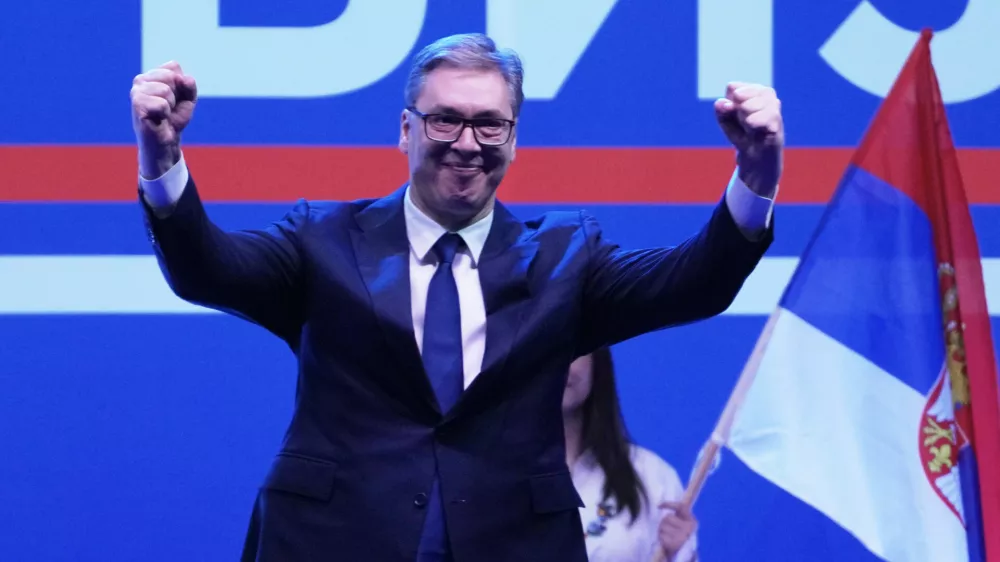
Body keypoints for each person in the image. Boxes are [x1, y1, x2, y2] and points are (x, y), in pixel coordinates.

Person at [129, 32, 781, 562]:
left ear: (514, 139)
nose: (467, 144)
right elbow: (207, 270)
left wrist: (754, 179)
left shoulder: (565, 256)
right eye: (445, 119)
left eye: (489, 125)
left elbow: (693, 283)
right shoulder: (322, 238)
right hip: (334, 542)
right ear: (405, 129)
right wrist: (161, 158)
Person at [564, 348, 697, 562]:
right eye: (543, 350)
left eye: (571, 350)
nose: (558, 364)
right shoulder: (503, 474)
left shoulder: (651, 476)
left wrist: (678, 554)